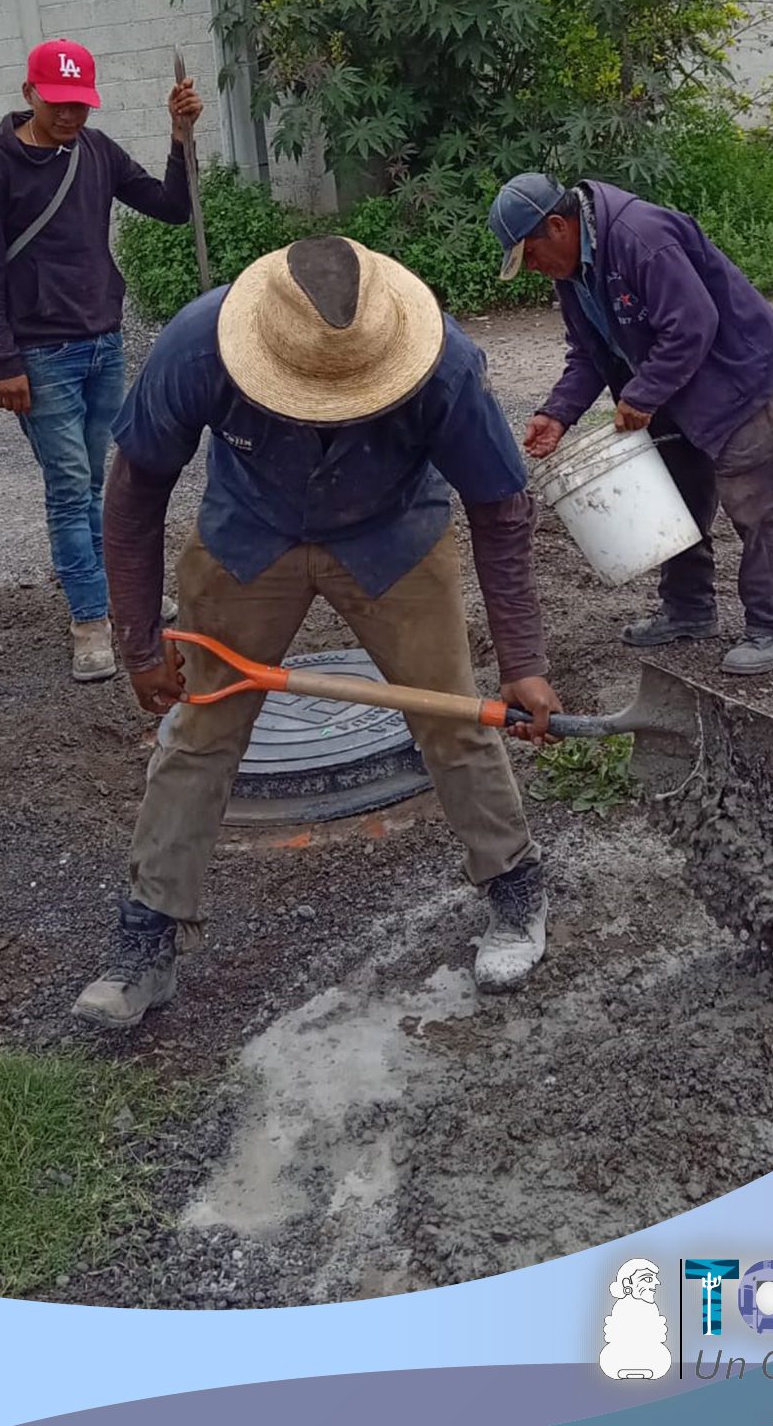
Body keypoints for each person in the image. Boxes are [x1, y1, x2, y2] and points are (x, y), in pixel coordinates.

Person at [72, 234, 563, 1030]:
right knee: (200, 728)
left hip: (393, 534)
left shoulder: (442, 362)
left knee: (450, 716)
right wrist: (135, 635)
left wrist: (524, 660)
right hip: (251, 534)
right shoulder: (199, 344)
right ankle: (146, 942)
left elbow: (502, 505)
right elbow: (136, 487)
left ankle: (516, 891)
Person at [489, 172, 773, 674]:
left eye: (530, 255)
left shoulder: (641, 238)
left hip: (735, 374)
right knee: (675, 500)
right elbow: (588, 353)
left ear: (557, 227)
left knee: (755, 505)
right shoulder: (572, 275)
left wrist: (643, 393)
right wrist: (557, 412)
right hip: (671, 386)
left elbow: (694, 322)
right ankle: (689, 609)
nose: (532, 269)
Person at [0, 39, 201, 683]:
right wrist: (0, 360)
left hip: (103, 342)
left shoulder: (96, 151)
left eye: (81, 104)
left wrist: (179, 137)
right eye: (59, 103)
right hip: (39, 355)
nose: (70, 115)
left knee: (110, 484)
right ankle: (92, 621)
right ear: (29, 93)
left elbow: (172, 208)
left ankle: (122, 598)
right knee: (70, 491)